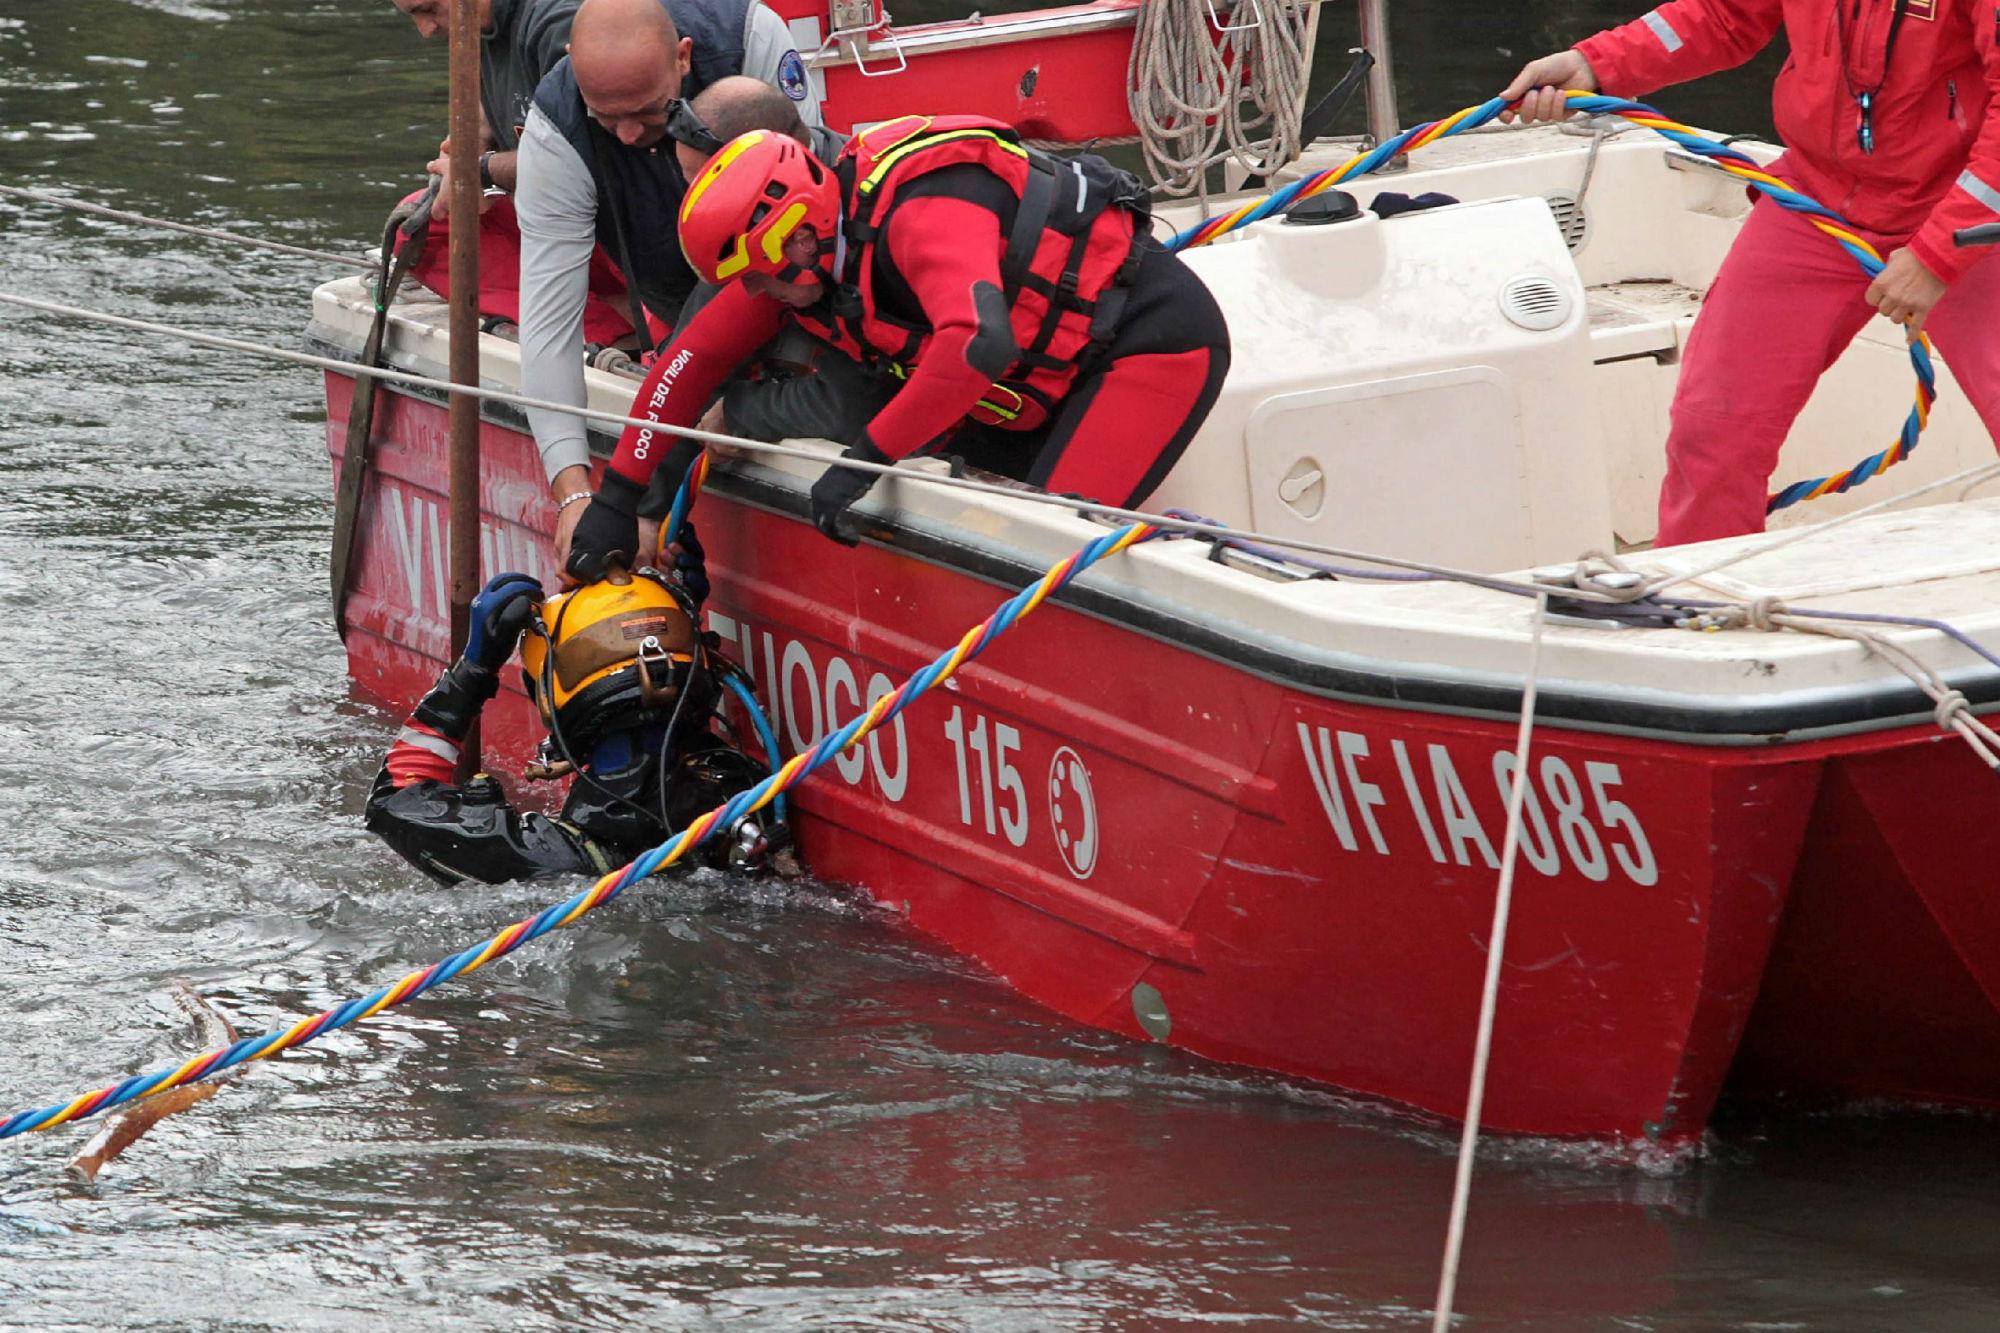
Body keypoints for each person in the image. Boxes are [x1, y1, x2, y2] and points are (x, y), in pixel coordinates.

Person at [562, 116, 1232, 577]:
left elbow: (978, 341)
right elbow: (689, 363)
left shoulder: (920, 213)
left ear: (796, 238)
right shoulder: (798, 262)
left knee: (1046, 554)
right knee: (994, 537)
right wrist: (617, 499)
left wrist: (864, 462)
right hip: (1029, 391)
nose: (755, 294)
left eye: (759, 277)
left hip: (1145, 347)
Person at [1503, 1, 2000, 546]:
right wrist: (1594, 65)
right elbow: (1722, 15)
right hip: (1816, 199)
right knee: (1713, 427)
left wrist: (1935, 255)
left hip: (1971, 216)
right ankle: (1702, 603)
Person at [516, 0, 822, 544]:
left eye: (649, 112)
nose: (630, 135)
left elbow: (802, 228)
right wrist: (574, 492)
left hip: (786, 283)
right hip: (670, 304)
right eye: (607, 118)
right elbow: (549, 318)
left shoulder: (749, 39)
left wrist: (641, 500)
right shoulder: (556, 128)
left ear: (684, 57)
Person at [366, 566, 777, 884]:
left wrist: (475, 667)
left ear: (552, 698)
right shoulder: (742, 794)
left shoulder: (542, 858)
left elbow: (393, 800)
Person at [386, 0, 637, 349]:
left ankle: (628, 318)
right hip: (561, 228)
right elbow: (483, 116)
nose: (426, 30)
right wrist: (463, 156)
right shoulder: (476, 31)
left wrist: (477, 172)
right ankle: (612, 328)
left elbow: (585, 160)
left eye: (428, 9)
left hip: (622, 231)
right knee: (421, 226)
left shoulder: (560, 23)